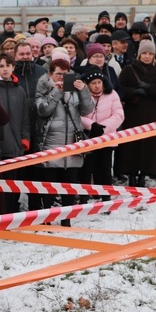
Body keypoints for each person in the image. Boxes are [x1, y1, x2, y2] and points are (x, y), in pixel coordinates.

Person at [32, 59, 93, 225]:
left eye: (65, 74)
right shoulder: (43, 88)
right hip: (51, 146)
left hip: (72, 145)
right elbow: (42, 110)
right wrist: (56, 92)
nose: (61, 77)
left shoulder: (74, 90)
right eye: (58, 73)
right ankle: (46, 220)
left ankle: (66, 220)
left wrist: (84, 91)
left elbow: (87, 110)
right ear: (50, 74)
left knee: (69, 187)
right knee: (49, 188)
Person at [115, 40, 156, 187]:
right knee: (132, 144)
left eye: (150, 54)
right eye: (144, 53)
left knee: (149, 145)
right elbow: (120, 89)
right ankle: (131, 174)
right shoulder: (128, 69)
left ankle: (144, 174)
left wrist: (150, 87)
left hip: (152, 113)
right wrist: (133, 91)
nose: (147, 56)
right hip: (133, 113)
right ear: (139, 55)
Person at [0, 52, 29, 213]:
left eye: (8, 66)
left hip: (15, 144)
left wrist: (25, 139)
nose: (5, 69)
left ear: (13, 67)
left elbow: (25, 118)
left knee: (13, 183)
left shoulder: (20, 91)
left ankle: (12, 212)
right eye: (2, 66)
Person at [78, 67, 124, 202]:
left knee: (104, 169)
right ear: (87, 84)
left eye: (99, 82)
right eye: (93, 83)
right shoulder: (82, 95)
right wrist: (91, 125)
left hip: (106, 137)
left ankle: (105, 197)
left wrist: (103, 128)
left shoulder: (112, 94)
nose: (97, 86)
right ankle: (83, 198)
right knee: (86, 169)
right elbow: (76, 115)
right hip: (87, 137)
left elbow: (119, 115)